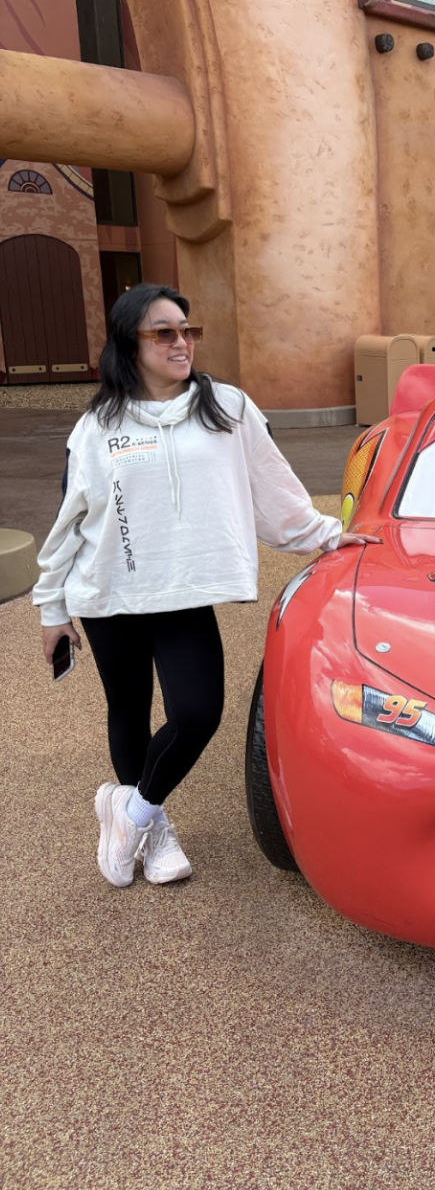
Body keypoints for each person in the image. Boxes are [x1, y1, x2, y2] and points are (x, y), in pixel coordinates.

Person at [35, 283, 372, 889]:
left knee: (196, 712)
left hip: (184, 590)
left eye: (187, 330)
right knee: (129, 711)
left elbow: (273, 487)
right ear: (128, 343)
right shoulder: (96, 426)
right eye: (164, 332)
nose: (181, 342)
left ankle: (130, 811)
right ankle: (155, 824)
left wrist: (326, 534)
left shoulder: (226, 408)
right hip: (110, 591)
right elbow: (71, 517)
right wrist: (51, 606)